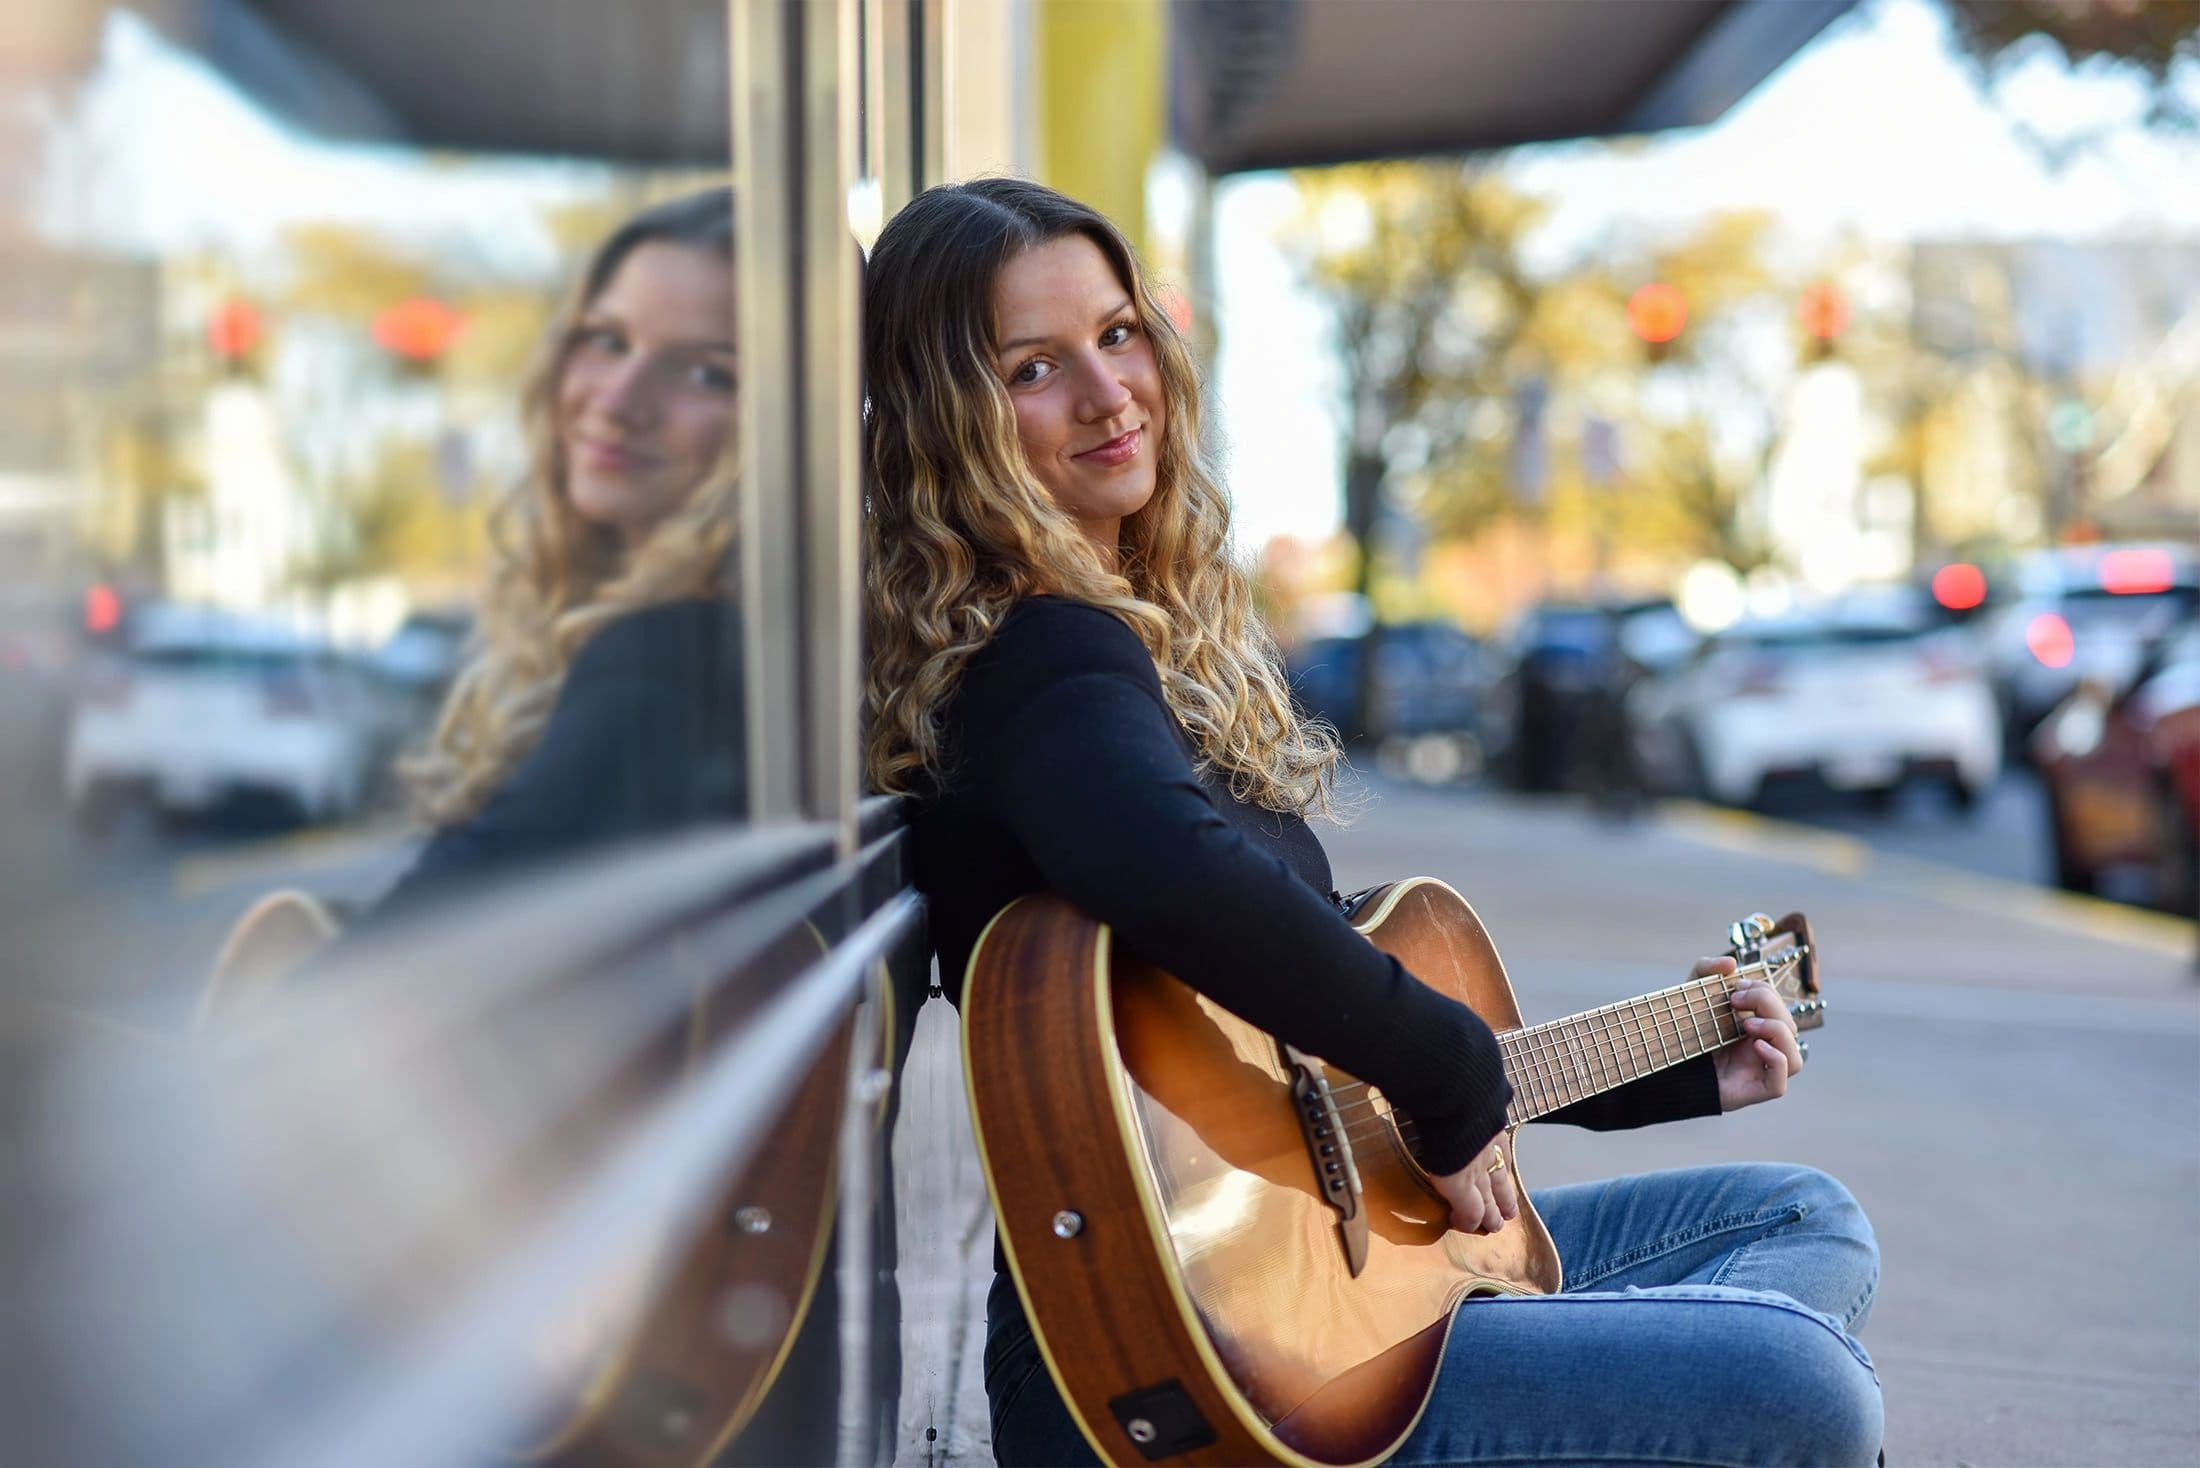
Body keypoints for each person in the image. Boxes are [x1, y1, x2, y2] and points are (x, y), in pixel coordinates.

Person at [861, 177, 1881, 1468]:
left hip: (1295, 1315)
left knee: (1804, 1218)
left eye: (1119, 334)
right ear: (947, 418)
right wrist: (1444, 1072)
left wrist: (1661, 1067)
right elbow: (1165, 868)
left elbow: (1315, 1081)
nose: (1110, 392)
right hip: (1199, 1360)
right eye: (1033, 367)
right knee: (1801, 1391)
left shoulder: (1106, 640)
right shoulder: (1041, 656)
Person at [376, 186, 746, 919]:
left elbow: (392, 970)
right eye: (608, 339)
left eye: (707, 372)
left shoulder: (671, 660)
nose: (618, 398)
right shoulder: (724, 645)